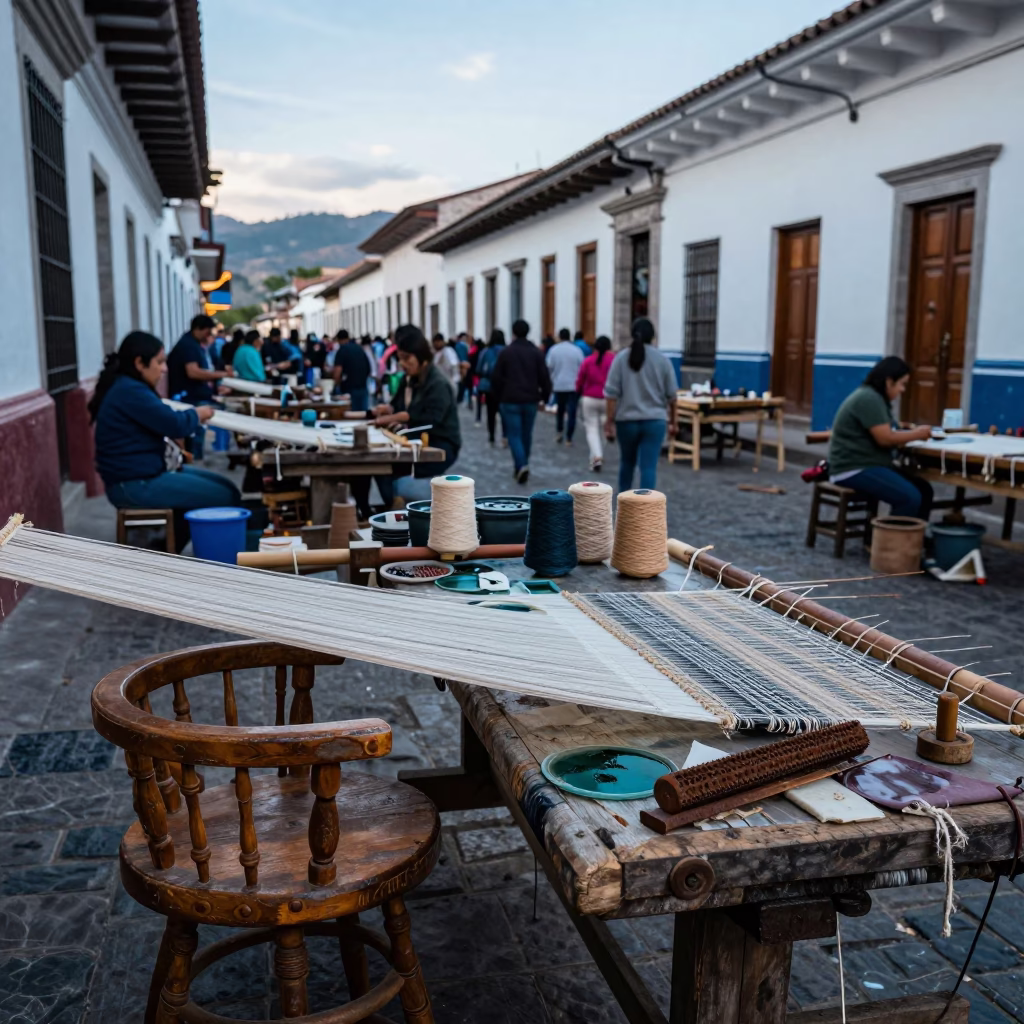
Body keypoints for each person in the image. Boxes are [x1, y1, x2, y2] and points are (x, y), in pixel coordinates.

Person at [90, 331, 241, 551]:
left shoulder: (131, 388)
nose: (165, 369)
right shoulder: (130, 391)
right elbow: (174, 424)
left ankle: (165, 550)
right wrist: (197, 414)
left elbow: (163, 418)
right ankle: (186, 556)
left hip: (146, 473)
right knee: (224, 496)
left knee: (227, 488)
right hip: (133, 484)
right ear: (140, 363)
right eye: (159, 362)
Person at [828, 355, 935, 518]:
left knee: (923, 489)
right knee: (908, 498)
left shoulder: (876, 398)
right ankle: (891, 534)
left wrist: (905, 429)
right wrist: (917, 434)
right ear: (889, 381)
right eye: (902, 384)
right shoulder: (869, 398)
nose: (903, 390)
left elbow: (888, 428)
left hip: (869, 464)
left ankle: (915, 533)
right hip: (853, 468)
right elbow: (885, 439)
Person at [371, 325, 462, 504]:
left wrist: (397, 418)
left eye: (407, 358)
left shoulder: (438, 383)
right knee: (376, 466)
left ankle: (400, 506)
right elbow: (396, 405)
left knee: (388, 468)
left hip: (440, 443)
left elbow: (431, 421)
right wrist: (388, 409)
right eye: (400, 359)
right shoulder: (410, 378)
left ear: (420, 356)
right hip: (415, 441)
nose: (402, 364)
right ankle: (389, 506)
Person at [604, 317, 678, 493]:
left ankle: (623, 502)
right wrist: (674, 421)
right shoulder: (662, 360)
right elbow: (672, 396)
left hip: (626, 421)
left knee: (626, 463)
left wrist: (609, 421)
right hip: (655, 421)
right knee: (648, 467)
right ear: (653, 336)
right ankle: (646, 505)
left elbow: (611, 395)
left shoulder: (621, 359)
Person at [491, 319, 551, 484]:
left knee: (514, 434)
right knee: (526, 434)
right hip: (530, 399)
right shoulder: (536, 353)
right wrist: (545, 397)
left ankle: (521, 464)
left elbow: (496, 377)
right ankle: (523, 463)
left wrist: (497, 397)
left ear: (514, 332)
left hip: (510, 399)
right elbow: (544, 377)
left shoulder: (506, 353)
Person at [166, 313, 230, 461]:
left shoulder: (193, 344)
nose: (209, 335)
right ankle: (195, 459)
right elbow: (193, 372)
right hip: (188, 397)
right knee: (197, 430)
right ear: (199, 329)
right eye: (207, 331)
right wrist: (220, 375)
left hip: (193, 394)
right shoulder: (188, 345)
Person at [577, 335, 613, 471]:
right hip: (607, 399)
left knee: (591, 429)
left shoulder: (588, 361)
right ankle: (597, 456)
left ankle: (596, 457)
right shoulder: (613, 360)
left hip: (589, 398)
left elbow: (580, 379)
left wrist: (578, 391)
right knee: (604, 428)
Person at [547, 329, 584, 445]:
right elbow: (582, 366)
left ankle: (559, 431)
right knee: (572, 411)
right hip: (573, 385)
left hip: (559, 384)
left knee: (560, 410)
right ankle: (569, 437)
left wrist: (551, 380)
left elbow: (549, 367)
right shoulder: (577, 350)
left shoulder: (554, 350)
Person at [475, 328, 505, 444]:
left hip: (489, 386)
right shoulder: (507, 351)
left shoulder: (486, 351)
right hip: (504, 386)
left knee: (490, 412)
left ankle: (492, 434)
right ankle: (505, 435)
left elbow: (479, 368)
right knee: (504, 412)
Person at [332, 330, 371, 411]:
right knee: (363, 413)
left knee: (351, 414)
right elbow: (368, 367)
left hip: (349, 389)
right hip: (363, 386)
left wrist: (336, 385)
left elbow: (337, 372)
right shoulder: (359, 348)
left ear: (339, 340)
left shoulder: (342, 350)